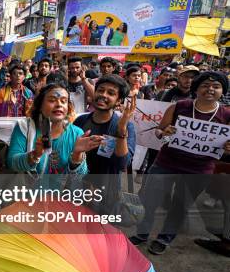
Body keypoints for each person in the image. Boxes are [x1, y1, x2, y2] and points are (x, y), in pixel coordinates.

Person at [131, 72, 230, 255]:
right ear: (196, 89)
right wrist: (164, 132)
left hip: (199, 169)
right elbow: (159, 131)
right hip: (166, 163)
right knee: (149, 199)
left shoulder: (226, 115)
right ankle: (142, 233)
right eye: (205, 86)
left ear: (222, 90)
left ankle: (164, 238)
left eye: (216, 86)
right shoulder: (180, 107)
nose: (210, 89)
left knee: (180, 205)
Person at [7, 83, 103, 175]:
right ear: (40, 105)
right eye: (52, 100)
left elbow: (78, 179)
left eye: (63, 101)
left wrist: (77, 155)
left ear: (68, 107)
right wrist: (35, 155)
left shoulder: (76, 133)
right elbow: (12, 163)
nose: (59, 104)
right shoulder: (24, 127)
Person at [74, 75, 137, 213]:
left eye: (111, 93)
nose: (103, 95)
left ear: (119, 100)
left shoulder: (126, 127)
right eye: (100, 90)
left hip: (107, 194)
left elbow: (122, 164)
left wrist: (121, 130)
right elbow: (70, 155)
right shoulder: (80, 122)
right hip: (78, 189)